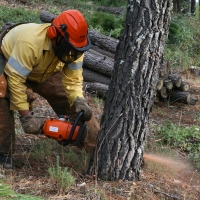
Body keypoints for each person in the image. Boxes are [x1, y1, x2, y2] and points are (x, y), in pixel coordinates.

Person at [0, 9, 98, 169]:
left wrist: (78, 99)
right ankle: (2, 153)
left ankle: (98, 149)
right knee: (1, 94)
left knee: (77, 108)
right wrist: (26, 117)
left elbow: (73, 79)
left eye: (75, 50)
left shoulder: (74, 48)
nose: (72, 53)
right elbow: (15, 80)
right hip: (9, 62)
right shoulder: (30, 42)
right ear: (55, 34)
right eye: (69, 48)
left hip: (46, 69)